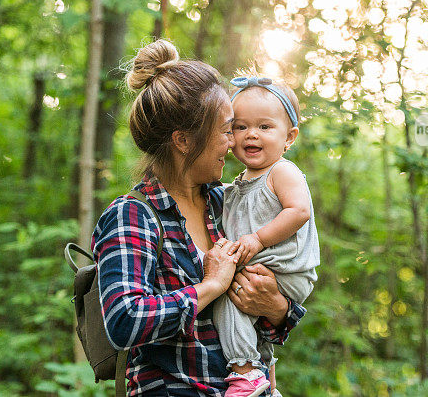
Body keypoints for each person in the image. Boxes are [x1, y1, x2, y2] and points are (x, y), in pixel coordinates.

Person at [91, 40, 306, 396]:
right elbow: (124, 322)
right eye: (226, 130)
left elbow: (268, 327)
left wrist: (277, 307)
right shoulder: (132, 216)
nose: (234, 143)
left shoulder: (228, 203)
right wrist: (210, 287)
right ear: (184, 140)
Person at [213, 76, 320, 397]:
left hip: (287, 271)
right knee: (242, 310)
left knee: (227, 296)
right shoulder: (234, 187)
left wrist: (258, 239)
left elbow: (298, 211)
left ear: (289, 137)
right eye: (241, 127)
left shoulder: (282, 172)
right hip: (265, 273)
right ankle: (265, 380)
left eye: (264, 127)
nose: (251, 134)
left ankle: (245, 373)